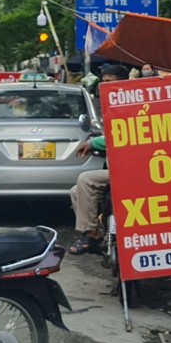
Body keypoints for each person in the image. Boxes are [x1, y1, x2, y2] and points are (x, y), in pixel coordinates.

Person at [68, 64, 128, 255]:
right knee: (76, 192)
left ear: (122, 81)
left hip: (131, 169)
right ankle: (95, 233)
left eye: (109, 81)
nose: (104, 84)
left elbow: (120, 133)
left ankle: (90, 236)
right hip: (116, 167)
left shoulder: (129, 102)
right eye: (103, 81)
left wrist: (94, 143)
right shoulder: (111, 104)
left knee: (86, 179)